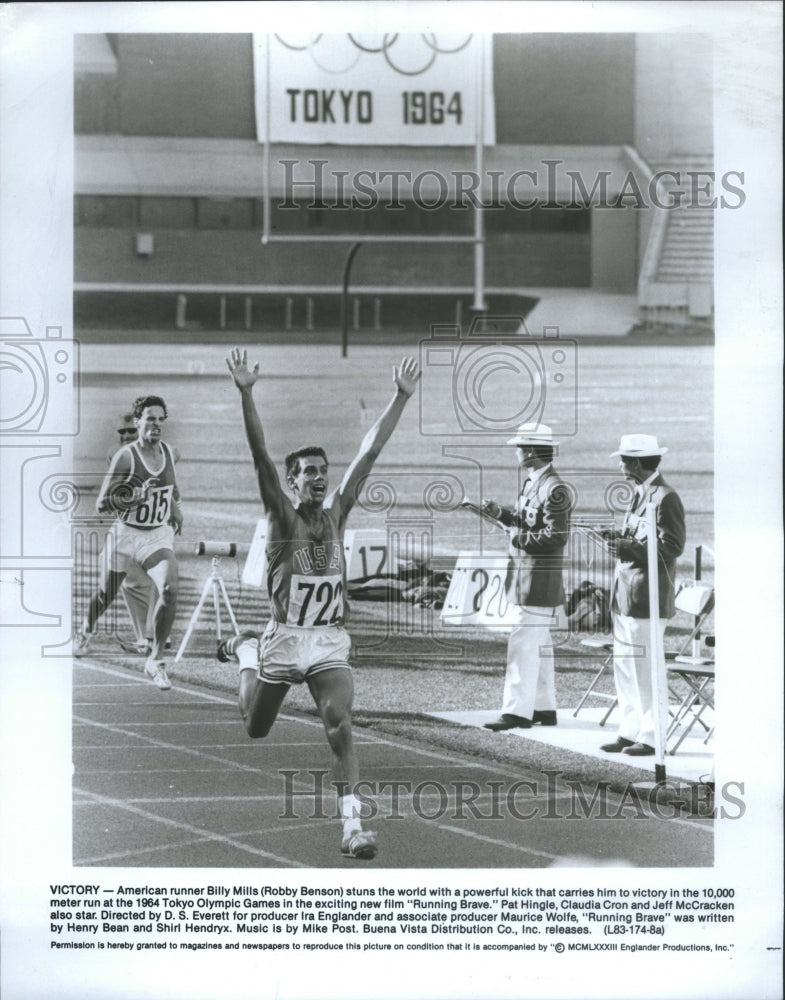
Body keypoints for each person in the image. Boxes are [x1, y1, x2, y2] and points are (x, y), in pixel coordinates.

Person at [220, 347, 420, 860]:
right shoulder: (283, 519)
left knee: (340, 722)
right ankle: (245, 651)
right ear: (291, 483)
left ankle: (353, 828)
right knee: (255, 727)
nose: (319, 477)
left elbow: (368, 453)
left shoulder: (336, 514)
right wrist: (246, 393)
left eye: (322, 470)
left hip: (328, 639)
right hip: (284, 639)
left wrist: (400, 397)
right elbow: (260, 454)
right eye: (308, 471)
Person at [73, 396, 183, 691]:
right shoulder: (126, 456)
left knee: (170, 588)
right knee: (104, 594)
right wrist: (133, 497)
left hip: (156, 535)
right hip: (126, 533)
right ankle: (86, 630)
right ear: (138, 422)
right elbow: (101, 504)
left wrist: (175, 508)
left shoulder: (170, 453)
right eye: (150, 418)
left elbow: (170, 489)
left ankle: (155, 660)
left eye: (160, 419)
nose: (156, 424)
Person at [599, 433, 686, 757]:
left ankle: (652, 735)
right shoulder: (640, 493)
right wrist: (618, 539)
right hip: (628, 595)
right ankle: (630, 728)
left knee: (646, 669)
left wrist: (627, 547)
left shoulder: (664, 497)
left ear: (636, 462)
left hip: (646, 596)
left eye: (624, 459)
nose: (620, 464)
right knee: (625, 665)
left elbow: (673, 546)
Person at [480, 423, 571, 732]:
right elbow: (525, 519)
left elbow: (556, 537)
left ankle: (517, 712)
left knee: (522, 643)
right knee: (540, 645)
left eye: (519, 447)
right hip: (527, 578)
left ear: (531, 451)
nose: (517, 452)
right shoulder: (536, 482)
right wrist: (501, 514)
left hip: (537, 581)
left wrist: (519, 538)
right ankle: (544, 707)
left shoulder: (554, 488)